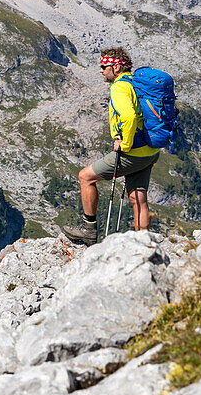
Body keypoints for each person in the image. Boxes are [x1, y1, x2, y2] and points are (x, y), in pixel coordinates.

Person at [61, 47, 161, 246]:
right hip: (150, 150)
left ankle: (88, 230)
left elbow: (129, 116)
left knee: (85, 177)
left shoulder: (119, 87)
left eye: (104, 66)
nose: (101, 70)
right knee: (138, 197)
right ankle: (145, 245)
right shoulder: (136, 83)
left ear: (116, 67)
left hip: (132, 152)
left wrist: (124, 144)